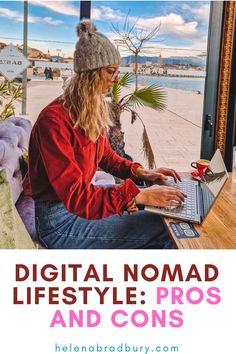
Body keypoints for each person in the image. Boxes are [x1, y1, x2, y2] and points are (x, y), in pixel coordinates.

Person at [25, 20, 186, 249]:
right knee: (165, 229)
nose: (116, 78)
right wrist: (137, 196)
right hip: (60, 222)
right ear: (91, 73)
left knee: (165, 210)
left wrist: (142, 173)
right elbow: (77, 197)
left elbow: (106, 157)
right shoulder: (53, 121)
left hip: (79, 207)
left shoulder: (89, 108)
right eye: (110, 71)